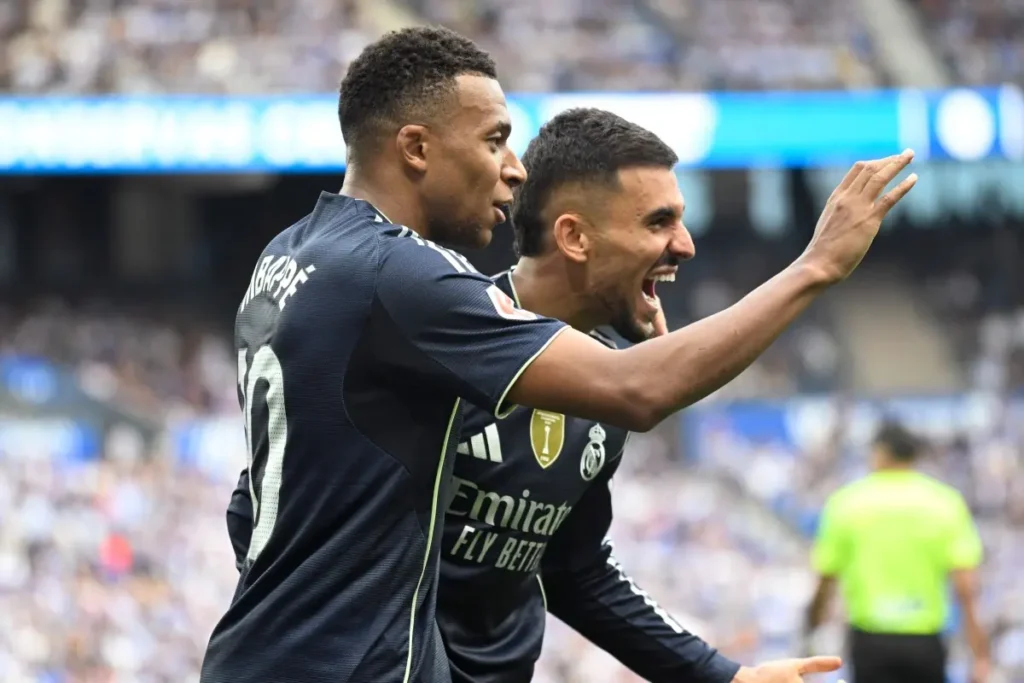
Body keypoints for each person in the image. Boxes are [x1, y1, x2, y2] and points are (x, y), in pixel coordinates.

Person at [202, 23, 917, 683]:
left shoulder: (294, 253)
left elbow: (257, 505)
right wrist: (815, 267)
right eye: (494, 140)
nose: (514, 170)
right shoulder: (403, 277)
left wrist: (720, 676)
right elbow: (637, 389)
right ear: (416, 148)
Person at [805, 421, 991, 683]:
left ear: (879, 453)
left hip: (870, 642)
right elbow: (967, 588)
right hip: (925, 643)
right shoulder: (945, 503)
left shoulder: (846, 503)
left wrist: (812, 630)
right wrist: (980, 655)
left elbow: (826, 582)